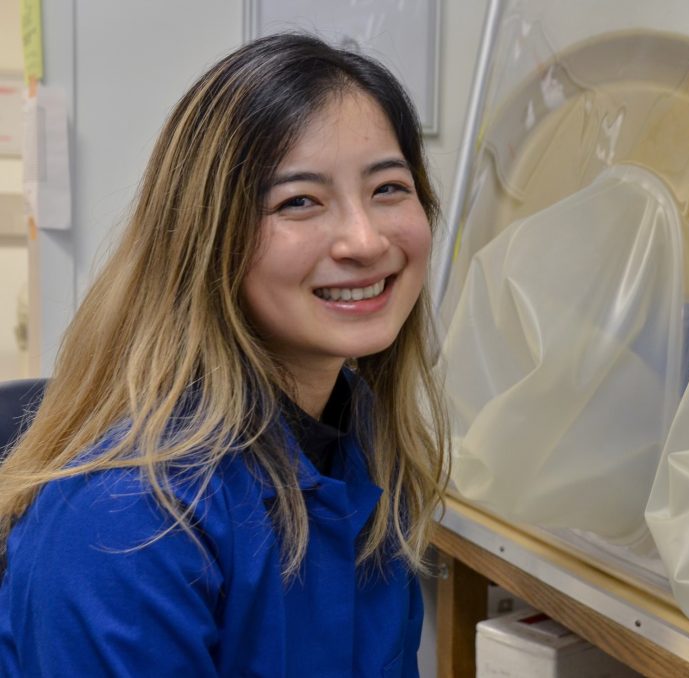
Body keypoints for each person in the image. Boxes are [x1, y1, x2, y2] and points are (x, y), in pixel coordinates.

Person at [0, 33, 449, 677]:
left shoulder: (365, 445)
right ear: (207, 238)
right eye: (299, 201)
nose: (364, 239)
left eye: (388, 188)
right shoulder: (125, 519)